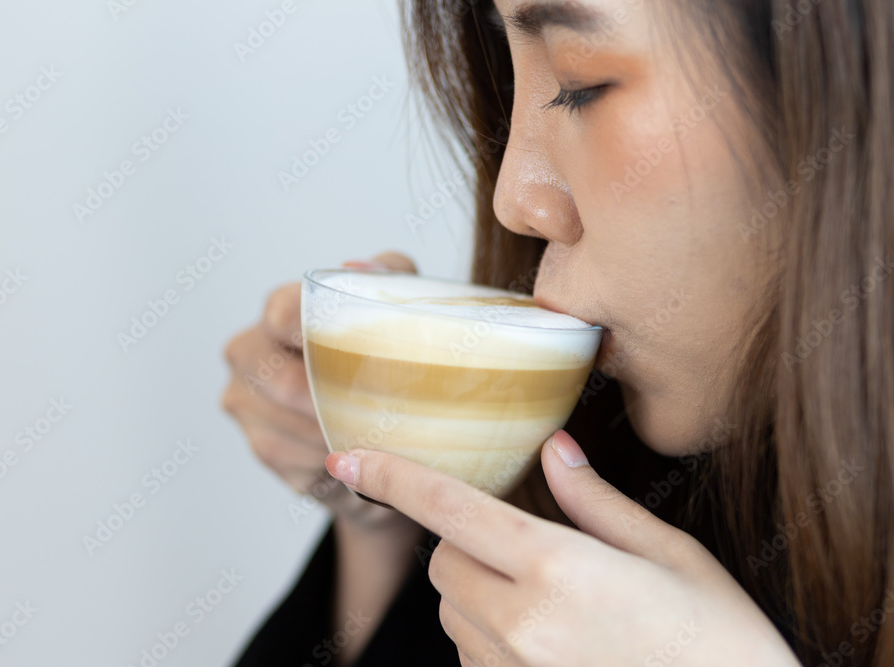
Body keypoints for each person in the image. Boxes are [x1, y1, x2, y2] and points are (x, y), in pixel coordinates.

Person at [223, 0, 894, 664]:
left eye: (579, 84)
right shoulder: (634, 477)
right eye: (513, 83)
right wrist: (387, 524)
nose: (514, 199)